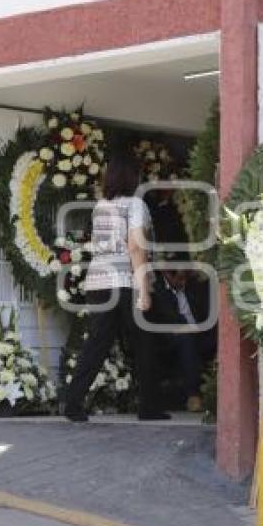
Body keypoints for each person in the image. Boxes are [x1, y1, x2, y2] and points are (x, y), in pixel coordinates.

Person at [64, 142, 168, 422]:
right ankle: (149, 407)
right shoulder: (136, 205)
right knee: (143, 342)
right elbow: (136, 247)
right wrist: (143, 290)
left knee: (96, 344)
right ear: (133, 177)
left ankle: (73, 401)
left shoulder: (100, 206)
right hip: (125, 281)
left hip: (97, 282)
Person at [151, 262, 217, 412]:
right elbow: (168, 320)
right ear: (167, 274)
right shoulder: (159, 291)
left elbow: (205, 313)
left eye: (185, 277)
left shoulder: (193, 286)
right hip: (173, 338)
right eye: (179, 278)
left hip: (199, 332)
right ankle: (193, 395)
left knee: (217, 335)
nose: (183, 282)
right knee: (186, 340)